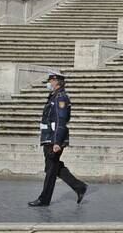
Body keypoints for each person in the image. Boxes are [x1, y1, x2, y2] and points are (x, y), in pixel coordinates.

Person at [28, 71, 88, 207]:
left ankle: (44, 199)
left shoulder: (61, 98)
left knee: (50, 170)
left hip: (54, 139)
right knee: (52, 167)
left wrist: (57, 142)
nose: (48, 83)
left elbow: (61, 121)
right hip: (48, 137)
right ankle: (79, 186)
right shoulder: (53, 96)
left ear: (56, 82)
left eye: (50, 81)